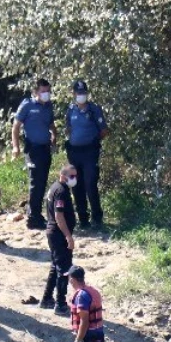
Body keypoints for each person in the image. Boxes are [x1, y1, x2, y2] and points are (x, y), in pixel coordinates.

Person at [12, 79, 56, 230]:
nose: (46, 94)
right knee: (35, 183)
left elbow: (51, 124)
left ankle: (36, 214)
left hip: (45, 148)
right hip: (32, 149)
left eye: (48, 91)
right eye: (43, 91)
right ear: (36, 92)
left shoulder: (49, 106)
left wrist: (54, 136)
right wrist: (15, 147)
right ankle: (32, 218)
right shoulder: (27, 105)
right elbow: (16, 127)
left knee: (42, 182)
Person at [65, 79, 108, 230]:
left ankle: (97, 218)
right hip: (74, 153)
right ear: (73, 93)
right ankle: (83, 218)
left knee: (90, 184)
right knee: (76, 185)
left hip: (90, 152)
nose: (81, 95)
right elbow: (68, 129)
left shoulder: (94, 109)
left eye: (83, 92)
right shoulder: (70, 110)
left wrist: (92, 142)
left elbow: (104, 130)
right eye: (78, 92)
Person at [40, 164, 77, 314]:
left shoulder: (55, 187)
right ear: (63, 176)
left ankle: (47, 298)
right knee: (64, 269)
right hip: (58, 234)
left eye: (75, 176)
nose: (74, 179)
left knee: (56, 266)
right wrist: (68, 236)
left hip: (54, 232)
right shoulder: (61, 191)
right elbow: (58, 215)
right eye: (72, 176)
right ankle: (60, 304)